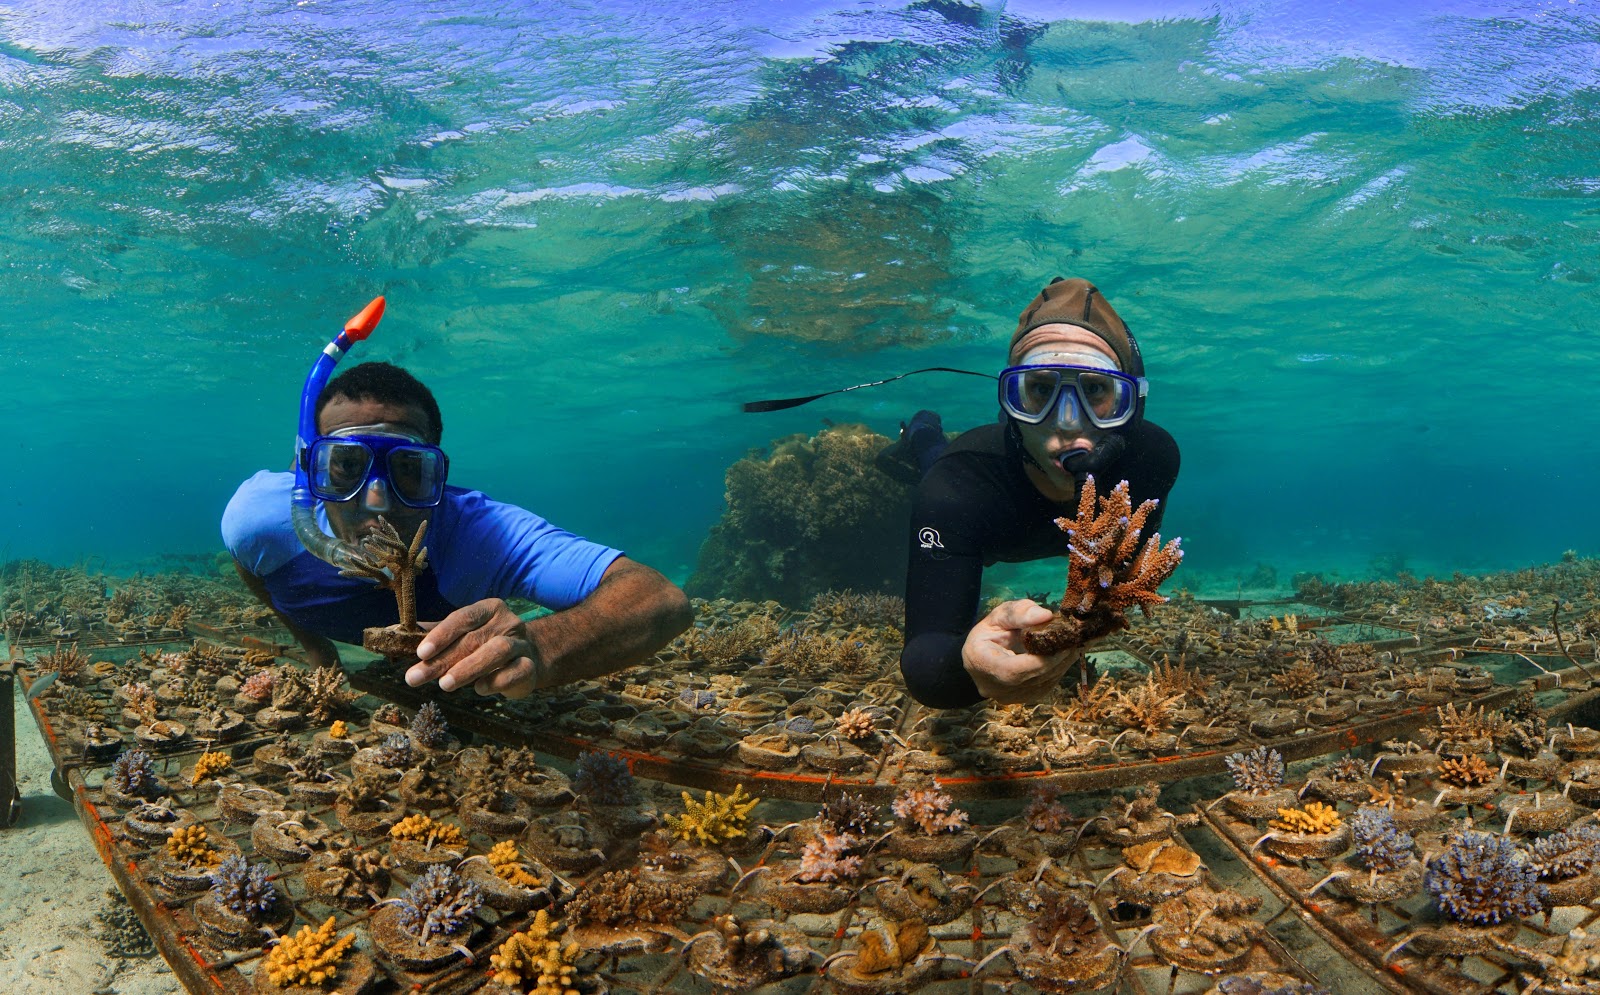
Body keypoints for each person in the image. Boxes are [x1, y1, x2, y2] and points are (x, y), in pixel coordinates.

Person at [222, 360, 691, 699]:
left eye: (409, 469)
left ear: (438, 476)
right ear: (311, 476)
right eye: (344, 466)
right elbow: (250, 565)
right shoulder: (260, 518)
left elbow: (660, 601)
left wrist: (542, 648)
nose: (376, 500)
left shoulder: (481, 532)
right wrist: (316, 647)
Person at [893, 277, 1180, 708]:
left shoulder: (1152, 458)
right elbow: (925, 658)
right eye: (1041, 390)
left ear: (1131, 407)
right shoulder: (957, 485)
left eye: (1097, 390)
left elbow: (1122, 572)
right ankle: (922, 431)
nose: (1065, 422)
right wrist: (968, 664)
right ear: (1011, 401)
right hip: (980, 518)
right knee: (934, 460)